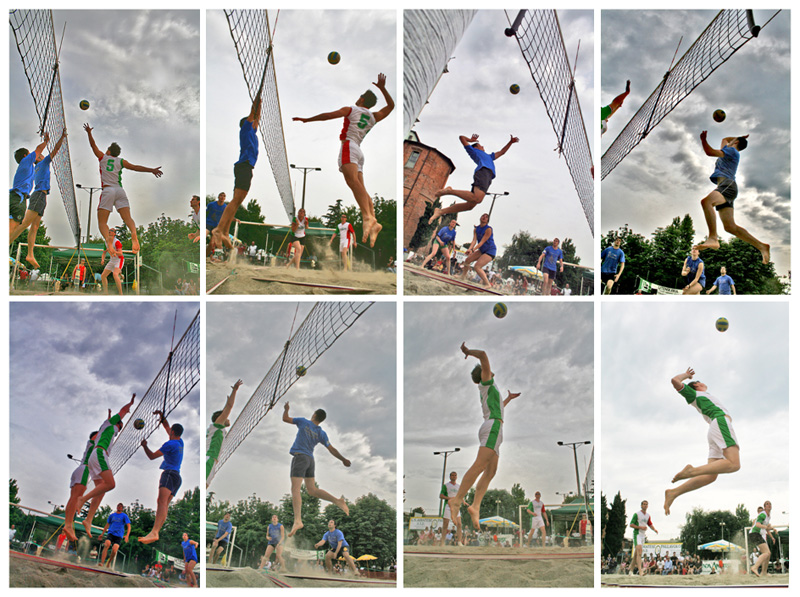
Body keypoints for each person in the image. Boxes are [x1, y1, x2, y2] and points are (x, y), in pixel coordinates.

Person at [293, 73, 394, 247]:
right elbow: (391, 106)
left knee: (352, 182)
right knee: (361, 187)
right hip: (359, 151)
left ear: (362, 99)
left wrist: (308, 120)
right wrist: (383, 88)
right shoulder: (373, 116)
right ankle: (374, 220)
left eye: (360, 96)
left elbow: (328, 115)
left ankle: (367, 217)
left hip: (349, 146)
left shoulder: (351, 109)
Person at [447, 343, 520, 530]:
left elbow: (499, 407)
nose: (490, 369)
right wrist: (468, 352)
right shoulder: (486, 381)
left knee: (490, 471)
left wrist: (508, 399)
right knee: (480, 465)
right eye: (486, 369)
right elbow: (484, 355)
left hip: (493, 427)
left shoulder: (489, 389)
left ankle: (475, 506)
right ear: (483, 373)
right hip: (493, 427)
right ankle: (457, 500)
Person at [664, 368, 740, 515]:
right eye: (699, 382)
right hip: (720, 422)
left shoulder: (705, 395)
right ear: (697, 385)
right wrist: (687, 376)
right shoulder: (694, 394)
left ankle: (673, 492)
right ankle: (691, 471)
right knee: (734, 464)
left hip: (714, 428)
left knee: (710, 476)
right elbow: (675, 381)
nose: (702, 382)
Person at [83, 123, 162, 254]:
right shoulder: (121, 161)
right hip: (120, 190)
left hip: (108, 190)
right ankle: (134, 234)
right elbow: (135, 167)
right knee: (128, 218)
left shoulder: (103, 157)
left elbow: (93, 145)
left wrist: (89, 133)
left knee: (102, 222)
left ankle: (109, 242)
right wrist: (152, 170)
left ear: (109, 151)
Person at [693, 132, 769, 264]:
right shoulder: (728, 150)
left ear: (735, 143)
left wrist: (703, 140)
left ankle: (713, 238)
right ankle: (762, 246)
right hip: (727, 187)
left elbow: (709, 152)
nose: (727, 143)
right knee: (730, 227)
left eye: (732, 141)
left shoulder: (732, 151)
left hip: (727, 185)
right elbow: (725, 139)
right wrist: (738, 137)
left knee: (706, 202)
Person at [283, 402, 351, 537]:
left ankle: (297, 520)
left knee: (295, 489)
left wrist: (286, 409)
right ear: (321, 420)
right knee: (312, 490)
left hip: (300, 457)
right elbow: (332, 449)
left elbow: (285, 419)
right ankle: (337, 501)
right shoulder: (321, 433)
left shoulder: (303, 422)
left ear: (314, 415)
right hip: (310, 460)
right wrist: (343, 459)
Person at [212, 81, 264, 253]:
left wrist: (260, 103)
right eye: (253, 121)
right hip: (244, 167)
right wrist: (257, 100)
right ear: (247, 122)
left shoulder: (252, 132)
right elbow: (253, 114)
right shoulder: (246, 129)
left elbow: (257, 116)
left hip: (245, 167)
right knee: (235, 201)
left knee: (237, 201)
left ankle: (224, 231)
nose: (255, 123)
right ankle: (219, 230)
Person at [74, 395, 136, 536]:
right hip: (99, 454)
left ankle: (88, 520)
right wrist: (130, 404)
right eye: (120, 426)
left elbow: (110, 422)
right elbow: (122, 411)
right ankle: (82, 499)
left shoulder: (109, 429)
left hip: (96, 456)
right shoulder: (111, 423)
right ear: (117, 423)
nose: (120, 429)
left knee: (101, 490)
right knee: (111, 484)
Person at [9, 129, 67, 268]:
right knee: (23, 224)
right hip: (38, 195)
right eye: (40, 155)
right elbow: (54, 150)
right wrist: (62, 137)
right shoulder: (42, 163)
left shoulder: (34, 168)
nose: (41, 155)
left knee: (34, 226)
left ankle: (30, 254)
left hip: (40, 196)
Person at [428, 133, 519, 223]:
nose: (483, 146)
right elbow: (461, 137)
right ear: (476, 147)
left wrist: (510, 142)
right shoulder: (473, 151)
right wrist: (470, 140)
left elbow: (502, 152)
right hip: (483, 171)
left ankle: (441, 211)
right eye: (480, 145)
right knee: (477, 198)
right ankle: (449, 191)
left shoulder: (489, 156)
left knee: (470, 206)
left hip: (488, 176)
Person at [139, 410, 184, 544]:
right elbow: (167, 427)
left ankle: (154, 532)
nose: (168, 432)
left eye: (170, 431)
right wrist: (161, 416)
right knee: (164, 504)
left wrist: (145, 446)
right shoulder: (180, 442)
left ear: (173, 433)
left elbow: (152, 456)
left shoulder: (169, 444)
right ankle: (156, 531)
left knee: (161, 502)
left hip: (169, 474)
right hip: (177, 477)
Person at [10, 132, 49, 241]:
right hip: (19, 197)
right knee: (13, 229)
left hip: (14, 196)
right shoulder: (26, 161)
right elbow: (38, 149)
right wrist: (46, 141)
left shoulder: (28, 167)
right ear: (25, 155)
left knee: (10, 226)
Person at [207, 379, 243, 485]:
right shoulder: (217, 425)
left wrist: (227, 403)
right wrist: (234, 391)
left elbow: (226, 408)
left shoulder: (217, 428)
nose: (227, 418)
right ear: (220, 418)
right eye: (225, 417)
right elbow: (229, 407)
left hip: (213, 460)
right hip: (210, 458)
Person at [460, 213, 496, 287]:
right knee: (467, 260)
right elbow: (474, 241)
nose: (484, 217)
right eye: (483, 216)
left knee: (477, 266)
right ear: (480, 218)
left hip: (490, 250)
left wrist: (473, 250)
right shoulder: (476, 229)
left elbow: (482, 242)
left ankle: (488, 284)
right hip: (482, 250)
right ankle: (463, 277)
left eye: (486, 217)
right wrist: (469, 249)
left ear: (487, 220)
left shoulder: (488, 229)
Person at [629, 500, 658, 575]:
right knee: (640, 552)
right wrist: (640, 527)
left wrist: (654, 529)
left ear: (647, 506)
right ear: (641, 506)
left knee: (636, 554)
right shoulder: (637, 514)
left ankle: (630, 571)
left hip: (643, 536)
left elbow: (650, 524)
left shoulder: (648, 515)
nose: (645, 505)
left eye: (646, 504)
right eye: (644, 504)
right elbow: (631, 524)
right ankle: (640, 571)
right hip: (637, 534)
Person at [749, 500, 776, 577]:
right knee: (766, 553)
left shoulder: (768, 516)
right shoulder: (763, 514)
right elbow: (757, 525)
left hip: (757, 535)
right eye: (767, 504)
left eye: (770, 504)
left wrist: (772, 529)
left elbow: (766, 528)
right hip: (754, 534)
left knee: (768, 553)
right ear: (764, 507)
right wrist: (766, 527)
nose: (769, 505)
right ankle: (755, 567)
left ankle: (764, 572)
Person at [100, 503, 131, 568]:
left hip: (119, 535)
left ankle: (109, 562)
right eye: (118, 506)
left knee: (114, 549)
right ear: (117, 507)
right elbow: (107, 524)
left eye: (121, 507)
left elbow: (129, 526)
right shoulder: (112, 515)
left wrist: (127, 535)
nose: (119, 507)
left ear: (122, 508)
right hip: (111, 533)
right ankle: (102, 562)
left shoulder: (124, 516)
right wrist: (102, 534)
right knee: (107, 544)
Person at [439, 471, 462, 546]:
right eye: (452, 475)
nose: (454, 476)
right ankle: (442, 542)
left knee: (459, 524)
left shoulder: (459, 486)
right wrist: (450, 498)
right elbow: (441, 496)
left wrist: (462, 501)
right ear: (450, 477)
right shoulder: (446, 485)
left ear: (456, 477)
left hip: (456, 507)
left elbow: (461, 496)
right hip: (448, 506)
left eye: (455, 475)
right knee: (445, 524)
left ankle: (459, 542)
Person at [101, 228, 125, 295]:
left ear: (114, 234)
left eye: (111, 231)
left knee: (115, 274)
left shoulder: (117, 242)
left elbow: (120, 254)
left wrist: (114, 252)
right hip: (112, 260)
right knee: (103, 276)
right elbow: (104, 253)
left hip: (119, 260)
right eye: (109, 231)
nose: (109, 231)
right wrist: (102, 259)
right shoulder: (106, 242)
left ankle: (121, 294)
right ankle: (106, 293)